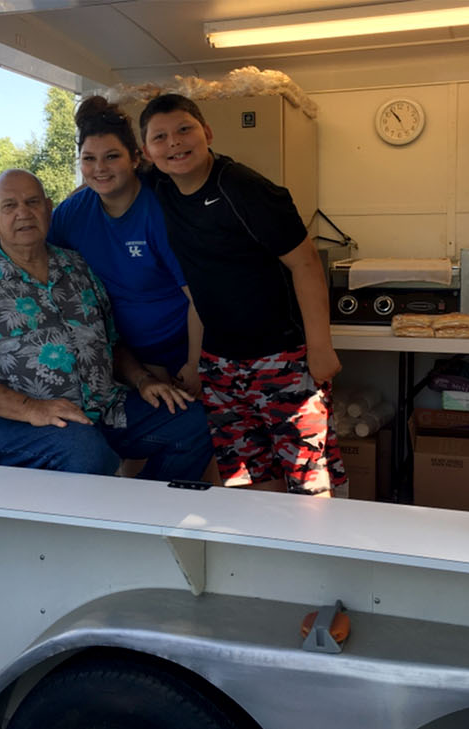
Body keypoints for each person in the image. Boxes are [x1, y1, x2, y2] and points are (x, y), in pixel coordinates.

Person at [0, 169, 212, 480]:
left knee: (190, 422)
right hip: (18, 424)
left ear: (48, 208)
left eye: (32, 202)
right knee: (87, 452)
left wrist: (142, 380)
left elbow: (109, 342)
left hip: (103, 410)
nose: (23, 213)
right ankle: (103, 519)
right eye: (10, 205)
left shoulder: (76, 267)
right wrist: (32, 408)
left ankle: (141, 517)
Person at [139, 93, 345, 496]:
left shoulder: (245, 188)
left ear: (208, 133)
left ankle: (317, 555)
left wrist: (320, 348)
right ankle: (263, 556)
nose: (174, 142)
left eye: (184, 129)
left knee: (310, 478)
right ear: (146, 152)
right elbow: (102, 183)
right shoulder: (160, 188)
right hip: (221, 369)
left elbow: (305, 264)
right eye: (159, 137)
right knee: (246, 478)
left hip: (283, 360)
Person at [49, 96, 203, 396]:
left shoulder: (159, 211)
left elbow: (200, 298)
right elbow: (29, 252)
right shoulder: (74, 212)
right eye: (89, 158)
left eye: (111, 157)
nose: (99, 168)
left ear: (135, 158)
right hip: (121, 356)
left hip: (184, 352)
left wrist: (194, 364)